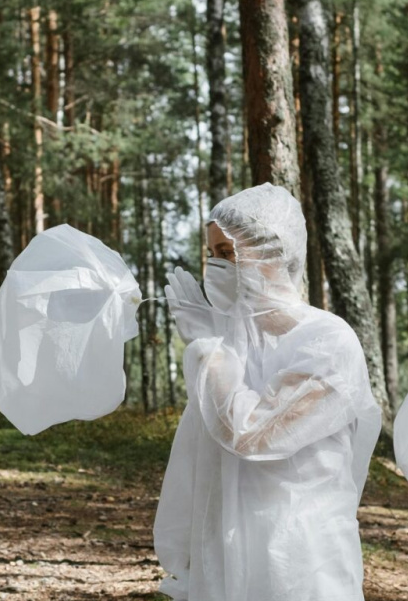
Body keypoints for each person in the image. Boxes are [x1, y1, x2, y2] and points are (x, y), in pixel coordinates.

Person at [155, 183, 382, 601]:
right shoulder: (232, 342)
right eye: (212, 254)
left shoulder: (326, 342)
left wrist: (208, 351)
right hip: (224, 545)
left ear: (273, 252)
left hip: (299, 555)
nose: (215, 267)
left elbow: (252, 433)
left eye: (227, 253)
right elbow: (199, 453)